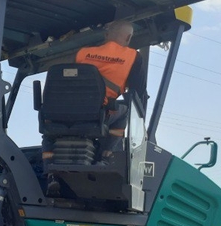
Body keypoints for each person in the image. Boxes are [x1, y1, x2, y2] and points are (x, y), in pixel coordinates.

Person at [42, 20, 146, 195]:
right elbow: (138, 93)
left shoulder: (83, 53)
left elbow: (69, 80)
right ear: (128, 38)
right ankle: (105, 157)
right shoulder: (133, 57)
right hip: (97, 114)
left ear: (106, 35)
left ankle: (50, 173)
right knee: (124, 111)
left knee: (49, 134)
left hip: (63, 112)